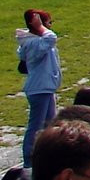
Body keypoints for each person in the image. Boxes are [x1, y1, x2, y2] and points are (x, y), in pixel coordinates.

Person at [15, 10, 61, 166]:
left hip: (46, 87)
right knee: (36, 124)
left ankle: (48, 152)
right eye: (48, 23)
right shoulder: (33, 43)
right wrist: (40, 27)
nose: (49, 27)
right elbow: (51, 38)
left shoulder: (35, 41)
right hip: (39, 88)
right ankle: (29, 158)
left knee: (50, 123)